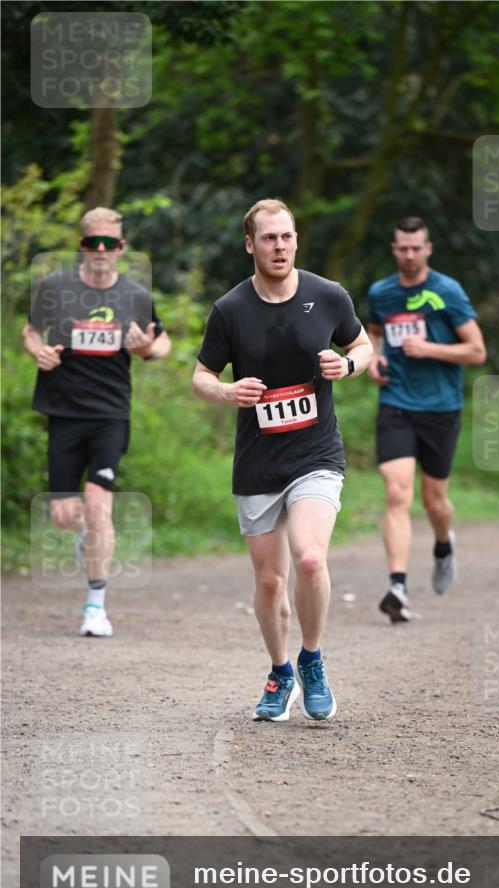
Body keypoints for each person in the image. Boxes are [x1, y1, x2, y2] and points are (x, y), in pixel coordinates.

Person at [193, 198, 372, 723]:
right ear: (251, 244)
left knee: (310, 558)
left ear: (296, 240)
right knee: (270, 582)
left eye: (287, 237)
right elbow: (201, 377)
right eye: (269, 238)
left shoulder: (327, 295)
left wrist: (348, 364)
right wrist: (228, 392)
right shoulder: (230, 310)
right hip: (258, 462)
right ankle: (280, 671)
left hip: (316, 451)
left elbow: (364, 346)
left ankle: (312, 660)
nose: (279, 246)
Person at [22, 206, 171, 637]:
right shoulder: (54, 288)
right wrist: (37, 351)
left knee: (97, 502)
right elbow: (31, 331)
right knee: (67, 516)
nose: (101, 250)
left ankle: (95, 605)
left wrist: (147, 348)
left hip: (110, 412)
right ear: (82, 245)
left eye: (110, 243)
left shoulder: (135, 295)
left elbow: (160, 342)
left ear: (121, 248)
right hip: (62, 411)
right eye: (93, 242)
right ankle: (87, 538)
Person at [367, 216, 486, 623]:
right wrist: (375, 360)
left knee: (435, 501)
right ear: (393, 249)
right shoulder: (381, 292)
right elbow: (375, 336)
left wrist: (431, 348)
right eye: (402, 247)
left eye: (417, 247)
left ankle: (442, 544)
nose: (410, 254)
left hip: (440, 407)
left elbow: (476, 351)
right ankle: (397, 585)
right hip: (396, 402)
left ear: (428, 249)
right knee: (397, 494)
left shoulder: (446, 291)